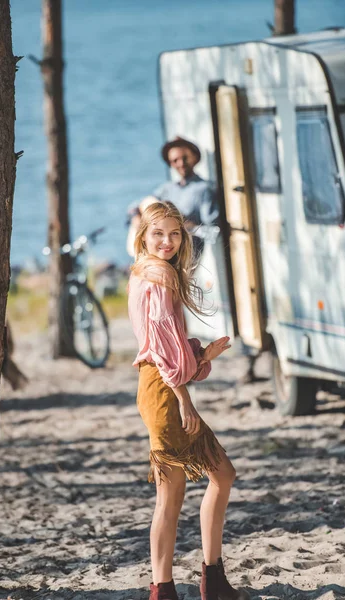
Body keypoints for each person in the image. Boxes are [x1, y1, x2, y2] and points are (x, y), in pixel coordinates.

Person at [128, 201, 250, 600]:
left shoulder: (145, 270)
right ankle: (165, 589)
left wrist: (199, 357)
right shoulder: (158, 273)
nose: (167, 241)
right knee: (172, 491)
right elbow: (163, 349)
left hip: (158, 384)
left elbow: (168, 344)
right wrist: (185, 396)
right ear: (144, 235)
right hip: (164, 391)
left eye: (175, 233)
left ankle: (210, 578)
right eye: (158, 233)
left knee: (220, 475)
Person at [126, 137, 218, 258]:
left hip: (184, 252)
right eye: (175, 160)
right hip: (161, 249)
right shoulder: (167, 189)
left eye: (185, 158)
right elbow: (136, 205)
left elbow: (213, 230)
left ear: (194, 157)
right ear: (170, 164)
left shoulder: (205, 188)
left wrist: (186, 227)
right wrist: (136, 218)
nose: (181, 163)